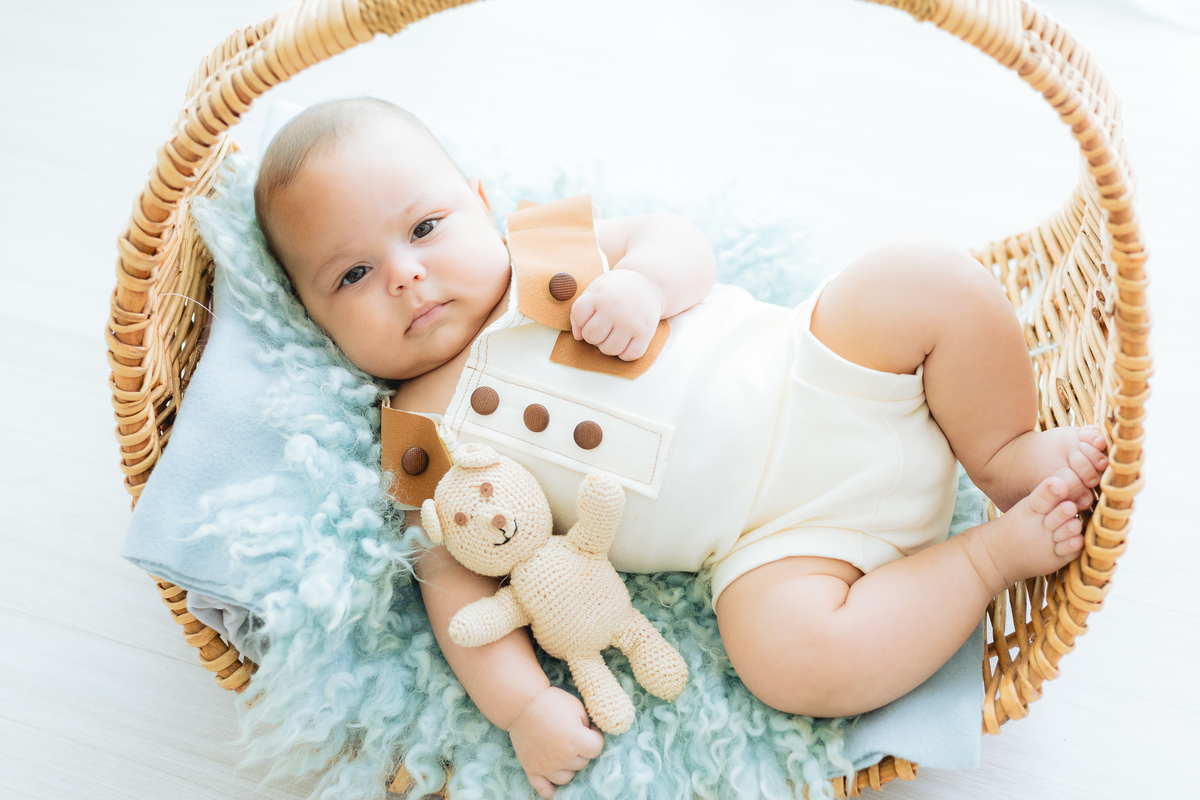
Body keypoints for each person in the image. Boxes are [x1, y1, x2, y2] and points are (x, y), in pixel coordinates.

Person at [253, 98, 1107, 798]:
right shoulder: (415, 440)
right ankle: (987, 560)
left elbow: (681, 242)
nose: (404, 273)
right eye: (352, 276)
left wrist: (645, 282)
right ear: (314, 319)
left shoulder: (543, 250)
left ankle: (1002, 454)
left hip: (821, 373)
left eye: (426, 227)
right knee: (788, 661)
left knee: (922, 278)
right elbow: (455, 598)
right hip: (773, 545)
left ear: (480, 203)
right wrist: (521, 710)